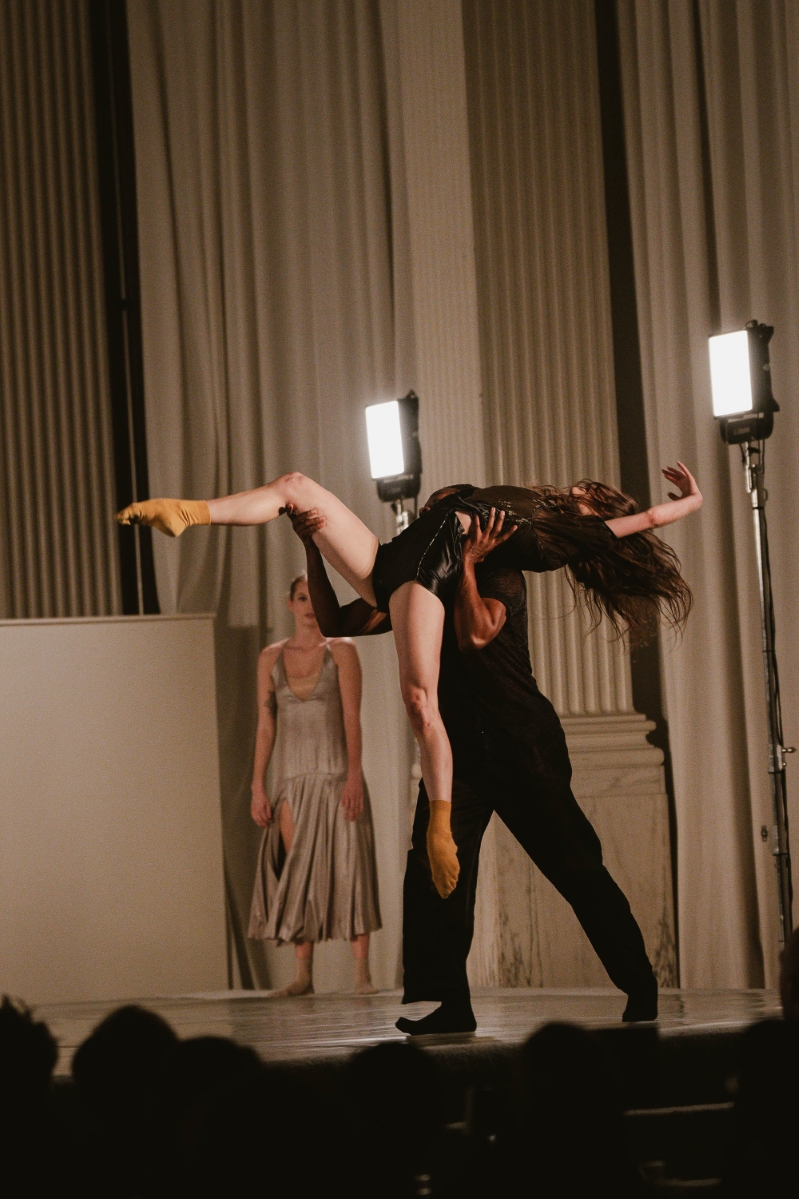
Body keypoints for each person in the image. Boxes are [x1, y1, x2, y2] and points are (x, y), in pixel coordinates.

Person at [116, 463, 701, 902]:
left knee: (421, 699)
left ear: (595, 512)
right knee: (295, 484)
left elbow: (646, 520)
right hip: (391, 558)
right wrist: (312, 545)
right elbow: (336, 621)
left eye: (590, 498)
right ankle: (188, 511)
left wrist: (691, 501)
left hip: (430, 569)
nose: (580, 490)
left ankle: (441, 826)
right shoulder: (524, 499)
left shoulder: (565, 537)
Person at [288, 498, 660, 1027]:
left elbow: (476, 633)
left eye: (448, 510)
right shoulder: (419, 583)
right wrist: (312, 546)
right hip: (460, 753)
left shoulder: (501, 573)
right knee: (433, 871)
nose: (437, 519)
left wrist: (466, 566)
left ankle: (640, 984)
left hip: (521, 745)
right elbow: (331, 621)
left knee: (576, 865)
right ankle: (451, 1004)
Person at [247, 574, 381, 997]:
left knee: (351, 869)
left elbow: (351, 716)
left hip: (336, 774)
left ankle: (362, 976)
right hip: (292, 778)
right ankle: (303, 975)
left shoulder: (341, 650)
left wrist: (354, 774)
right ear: (289, 604)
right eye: (301, 598)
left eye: (313, 598)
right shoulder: (270, 657)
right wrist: (257, 786)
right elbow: (265, 724)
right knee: (298, 872)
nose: (309, 606)